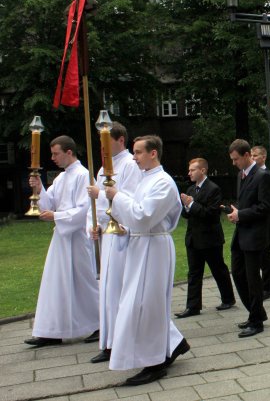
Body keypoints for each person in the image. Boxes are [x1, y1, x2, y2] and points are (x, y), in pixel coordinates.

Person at [106, 135, 189, 385]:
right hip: (140, 243)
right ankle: (170, 346)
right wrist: (122, 225)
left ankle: (154, 362)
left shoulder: (163, 182)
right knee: (137, 302)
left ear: (153, 153)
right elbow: (134, 217)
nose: (134, 157)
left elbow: (144, 216)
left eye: (139, 152)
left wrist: (116, 196)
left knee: (146, 304)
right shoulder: (145, 180)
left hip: (154, 247)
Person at [24, 136, 99, 347]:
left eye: (56, 153)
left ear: (69, 152)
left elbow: (84, 209)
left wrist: (56, 216)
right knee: (55, 282)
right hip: (61, 238)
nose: (52, 157)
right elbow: (51, 203)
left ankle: (99, 324)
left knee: (84, 282)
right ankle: (52, 330)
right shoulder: (61, 178)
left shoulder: (84, 175)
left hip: (77, 237)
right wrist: (39, 189)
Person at [86, 122, 141, 363]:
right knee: (107, 289)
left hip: (121, 234)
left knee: (118, 289)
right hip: (107, 236)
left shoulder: (130, 165)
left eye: (106, 142)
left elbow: (130, 197)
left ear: (120, 140)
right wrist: (95, 224)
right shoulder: (102, 169)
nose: (102, 148)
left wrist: (120, 220)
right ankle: (108, 342)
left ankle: (122, 340)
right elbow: (97, 205)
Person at [175, 158, 235, 319]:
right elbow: (186, 214)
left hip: (210, 239)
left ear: (203, 170)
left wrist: (192, 204)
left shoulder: (213, 189)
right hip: (193, 238)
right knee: (194, 273)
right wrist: (187, 205)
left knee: (218, 269)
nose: (189, 173)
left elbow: (211, 213)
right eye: (189, 170)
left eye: (192, 170)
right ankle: (193, 306)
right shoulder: (190, 189)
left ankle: (228, 298)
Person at [225, 139, 270, 337]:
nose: (234, 162)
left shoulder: (263, 176)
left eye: (236, 159)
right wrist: (237, 211)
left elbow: (265, 207)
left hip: (254, 235)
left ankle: (256, 321)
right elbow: (246, 202)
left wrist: (241, 215)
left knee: (252, 279)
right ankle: (256, 313)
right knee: (237, 273)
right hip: (241, 234)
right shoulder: (241, 175)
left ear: (246, 155)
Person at [251, 146, 270, 300]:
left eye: (255, 155)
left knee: (264, 253)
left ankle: (267, 286)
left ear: (263, 157)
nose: (253, 158)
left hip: (268, 220)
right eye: (251, 155)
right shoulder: (249, 175)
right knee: (264, 253)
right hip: (256, 218)